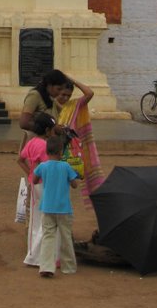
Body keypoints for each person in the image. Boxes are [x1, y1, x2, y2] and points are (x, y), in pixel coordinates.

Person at [33, 135, 80, 278]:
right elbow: (74, 184)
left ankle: (46, 266)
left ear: (47, 151)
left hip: (47, 207)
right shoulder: (66, 166)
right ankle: (69, 266)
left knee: (48, 236)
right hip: (64, 208)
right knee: (66, 237)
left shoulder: (43, 166)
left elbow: (35, 180)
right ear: (61, 152)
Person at [52, 74, 104, 199]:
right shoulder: (50, 104)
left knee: (64, 178)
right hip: (53, 145)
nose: (65, 98)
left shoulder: (74, 105)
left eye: (68, 95)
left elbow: (89, 93)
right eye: (62, 94)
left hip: (68, 148)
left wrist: (73, 81)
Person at [17, 112, 57, 266]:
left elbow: (20, 159)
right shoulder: (46, 146)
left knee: (34, 219)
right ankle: (39, 255)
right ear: (47, 130)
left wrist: (30, 174)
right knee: (45, 220)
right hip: (44, 185)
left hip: (34, 184)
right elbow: (49, 166)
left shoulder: (32, 142)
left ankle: (33, 253)